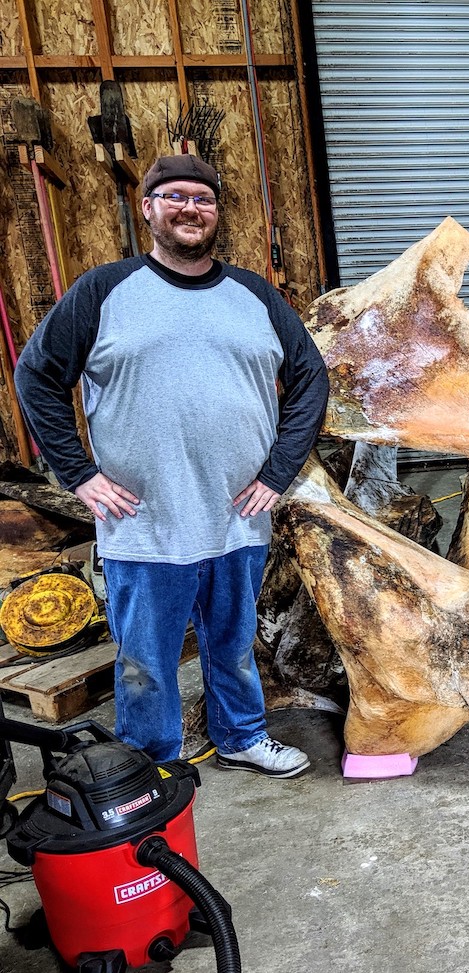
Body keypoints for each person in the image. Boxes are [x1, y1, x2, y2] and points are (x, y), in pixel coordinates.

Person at [15, 154, 329, 775]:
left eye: (203, 199)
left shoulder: (255, 296)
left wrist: (278, 472)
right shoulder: (104, 291)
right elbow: (37, 377)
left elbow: (310, 379)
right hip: (145, 521)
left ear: (216, 213)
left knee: (234, 646)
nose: (190, 208)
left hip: (237, 515)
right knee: (146, 658)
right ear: (149, 208)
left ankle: (240, 737)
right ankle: (147, 763)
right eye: (175, 196)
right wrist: (79, 474)